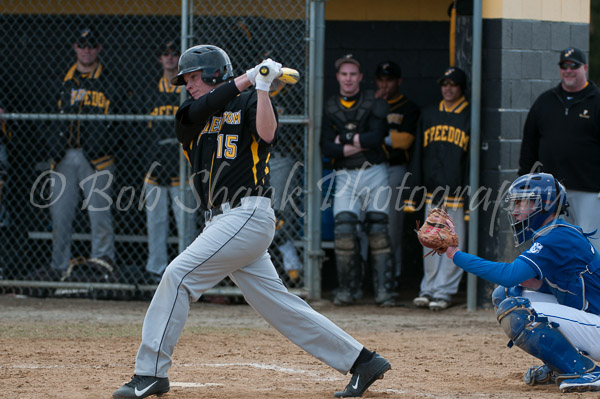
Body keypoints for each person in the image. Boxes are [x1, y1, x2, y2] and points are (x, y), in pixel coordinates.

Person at [113, 44, 391, 399]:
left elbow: (268, 133)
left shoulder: (247, 102)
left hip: (248, 213)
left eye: (195, 77)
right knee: (280, 306)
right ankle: (363, 361)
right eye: (186, 80)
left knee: (177, 276)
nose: (189, 85)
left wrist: (262, 89)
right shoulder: (189, 114)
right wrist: (250, 77)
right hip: (220, 221)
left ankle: (150, 373)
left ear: (216, 73)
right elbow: (203, 106)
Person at [444, 172, 600, 393]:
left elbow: (508, 274)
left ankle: (586, 372)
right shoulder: (553, 234)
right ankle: (560, 366)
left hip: (596, 327)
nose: (515, 210)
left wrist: (455, 254)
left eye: (522, 202)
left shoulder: (559, 236)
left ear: (545, 204)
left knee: (518, 310)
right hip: (591, 322)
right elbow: (523, 282)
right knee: (506, 294)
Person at [43, 28, 121, 280]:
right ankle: (59, 268)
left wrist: (105, 145)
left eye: (92, 45)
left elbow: (122, 124)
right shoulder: (61, 80)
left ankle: (102, 266)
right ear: (75, 47)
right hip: (63, 157)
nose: (86, 50)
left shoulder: (110, 80)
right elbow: (45, 119)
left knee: (100, 217)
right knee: (60, 217)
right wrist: (52, 147)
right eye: (82, 45)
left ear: (99, 49)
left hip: (98, 160)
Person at [320, 54, 395, 307]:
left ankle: (384, 292)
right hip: (345, 174)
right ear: (338, 77)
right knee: (343, 232)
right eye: (344, 74)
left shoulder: (374, 102)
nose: (348, 78)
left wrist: (345, 140)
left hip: (375, 171)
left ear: (360, 77)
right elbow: (326, 147)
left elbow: (378, 137)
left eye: (353, 74)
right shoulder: (330, 105)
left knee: (378, 232)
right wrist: (357, 143)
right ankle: (347, 291)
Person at [404, 66, 470, 311]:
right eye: (444, 83)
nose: (448, 88)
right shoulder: (429, 114)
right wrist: (413, 192)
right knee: (430, 241)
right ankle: (428, 289)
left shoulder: (469, 115)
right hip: (433, 191)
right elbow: (418, 156)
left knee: (452, 243)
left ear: (461, 87)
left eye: (453, 84)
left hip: (458, 193)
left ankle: (444, 292)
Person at [519, 47, 600, 238]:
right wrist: (525, 184)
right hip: (551, 191)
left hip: (590, 192)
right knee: (555, 244)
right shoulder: (545, 101)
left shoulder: (597, 101)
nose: (568, 70)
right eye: (564, 65)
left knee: (591, 244)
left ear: (585, 68)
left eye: (574, 65)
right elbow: (529, 145)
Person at [141, 40, 195, 284]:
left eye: (174, 54)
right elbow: (140, 132)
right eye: (165, 53)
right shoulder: (149, 90)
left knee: (185, 224)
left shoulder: (188, 91)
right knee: (156, 223)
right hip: (155, 166)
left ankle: (189, 271)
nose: (170, 58)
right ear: (159, 59)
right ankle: (155, 271)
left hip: (182, 167)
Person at [374, 60, 420, 290]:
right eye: (381, 80)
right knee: (368, 224)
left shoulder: (408, 107)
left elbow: (406, 141)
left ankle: (392, 275)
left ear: (398, 81)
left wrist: (375, 136)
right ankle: (371, 274)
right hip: (370, 169)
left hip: (395, 169)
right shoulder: (370, 104)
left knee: (391, 224)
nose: (385, 85)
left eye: (389, 80)